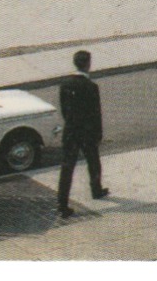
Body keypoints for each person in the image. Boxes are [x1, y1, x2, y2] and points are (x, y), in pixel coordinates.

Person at [57, 49, 110, 219]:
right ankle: (96, 189)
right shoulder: (91, 87)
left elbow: (64, 110)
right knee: (93, 162)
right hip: (87, 133)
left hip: (71, 131)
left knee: (67, 168)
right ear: (88, 64)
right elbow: (96, 113)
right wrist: (98, 134)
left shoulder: (65, 85)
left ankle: (62, 203)